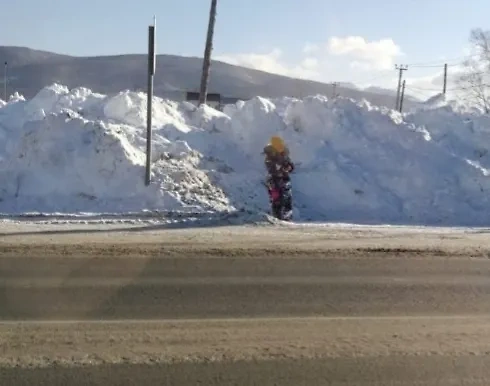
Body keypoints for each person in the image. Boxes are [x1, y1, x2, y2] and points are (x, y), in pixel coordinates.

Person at [263, 136, 295, 220]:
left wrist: (288, 168)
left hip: (284, 179)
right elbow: (270, 168)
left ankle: (287, 217)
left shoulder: (284, 154)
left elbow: (291, 165)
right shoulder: (269, 156)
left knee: (287, 199)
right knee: (276, 199)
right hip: (274, 180)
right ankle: (277, 217)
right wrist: (280, 171)